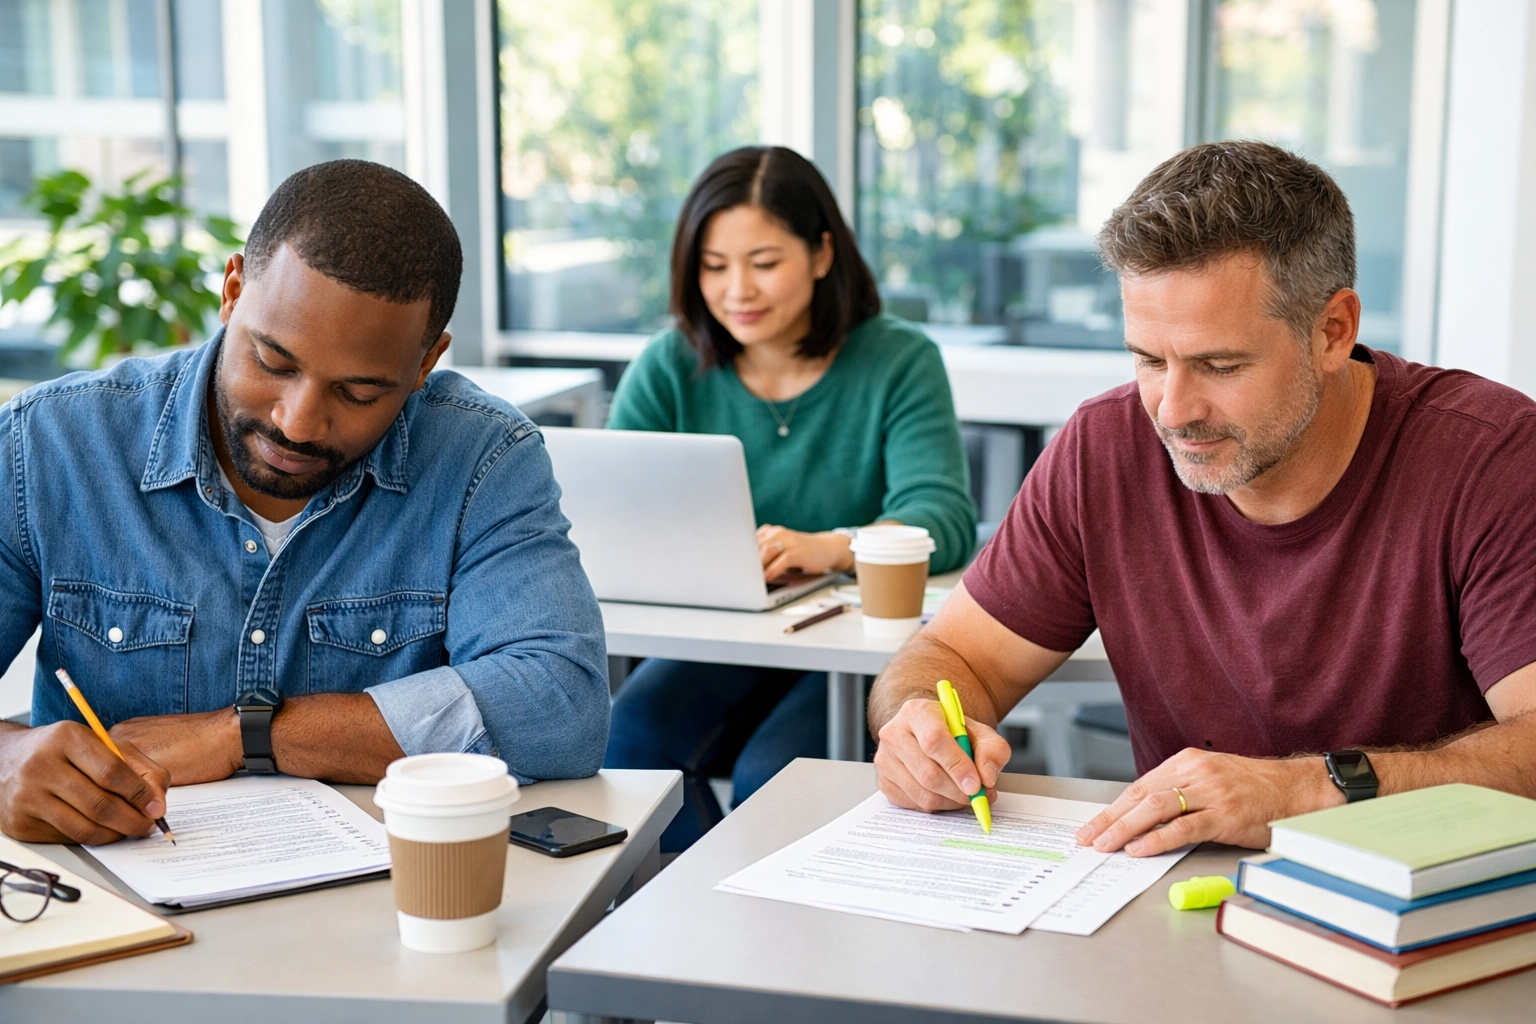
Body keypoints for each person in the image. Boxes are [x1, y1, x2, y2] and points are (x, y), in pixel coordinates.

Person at [869, 140, 1536, 858]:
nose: (1173, 411)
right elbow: (954, 655)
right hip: (1173, 893)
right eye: (1148, 360)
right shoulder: (1104, 448)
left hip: (1431, 897)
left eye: (1220, 365)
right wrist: (920, 723)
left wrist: (1305, 792)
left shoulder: (1492, 459)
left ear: (1333, 332)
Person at [0, 160, 609, 845]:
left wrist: (245, 734)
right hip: (99, 893)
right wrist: (8, 762)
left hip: (381, 895)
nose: (297, 422)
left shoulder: (481, 459)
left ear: (424, 363)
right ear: (233, 291)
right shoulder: (46, 445)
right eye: (273, 362)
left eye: (358, 392)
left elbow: (561, 705)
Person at [604, 146, 976, 850]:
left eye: (764, 262)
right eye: (714, 266)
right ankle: (697, 903)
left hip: (851, 646)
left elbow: (943, 518)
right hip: (722, 640)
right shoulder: (669, 365)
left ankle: (748, 907)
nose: (737, 289)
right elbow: (614, 516)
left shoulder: (898, 360)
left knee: (775, 780)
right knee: (630, 742)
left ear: (822, 253)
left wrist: (829, 548)